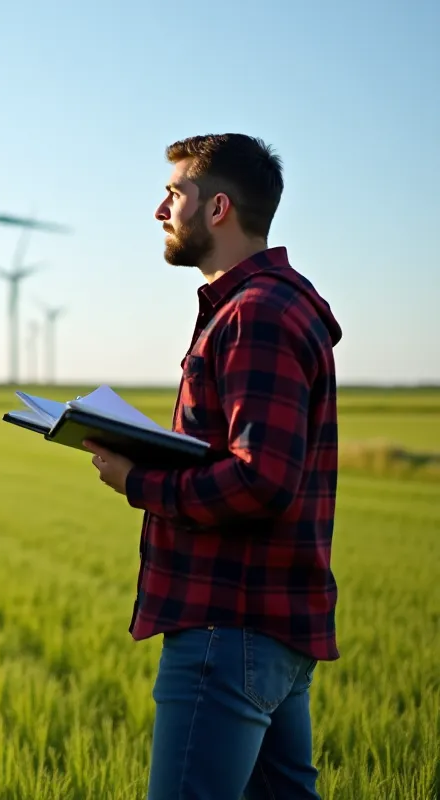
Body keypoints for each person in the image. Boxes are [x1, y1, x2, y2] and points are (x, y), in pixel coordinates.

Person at [84, 133, 341, 800]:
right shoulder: (260, 307)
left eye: (174, 194)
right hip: (265, 626)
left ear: (218, 207)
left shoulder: (256, 314)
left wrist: (136, 480)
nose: (160, 210)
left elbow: (262, 478)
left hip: (229, 628)